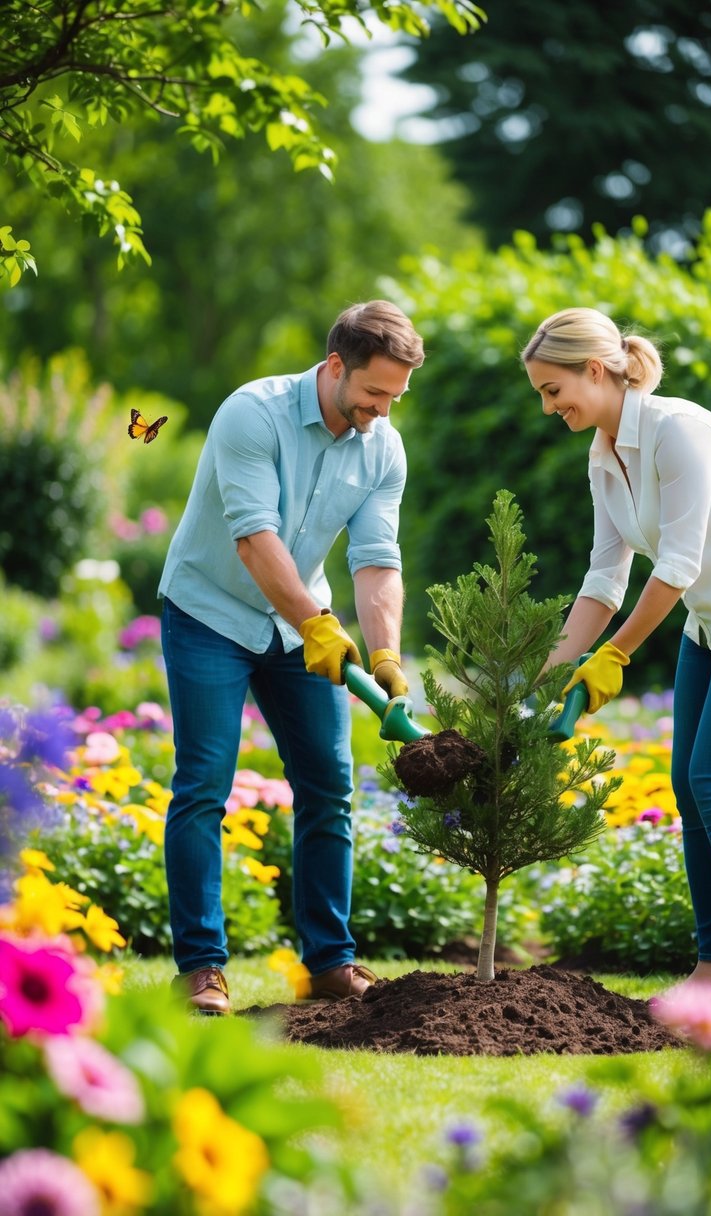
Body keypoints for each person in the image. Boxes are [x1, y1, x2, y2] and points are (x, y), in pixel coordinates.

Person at [522, 306, 711, 1017]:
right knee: (690, 793)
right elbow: (604, 576)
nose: (548, 407)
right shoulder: (602, 455)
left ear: (594, 371)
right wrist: (553, 669)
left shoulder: (676, 428)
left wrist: (615, 655)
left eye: (553, 389)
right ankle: (710, 970)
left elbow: (679, 565)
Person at [159, 300, 425, 1014]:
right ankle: (201, 969)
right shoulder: (252, 414)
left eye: (394, 398)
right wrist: (318, 627)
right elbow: (255, 538)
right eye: (373, 393)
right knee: (204, 785)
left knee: (328, 785)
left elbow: (375, 559)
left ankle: (330, 963)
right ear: (335, 366)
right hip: (210, 610)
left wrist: (386, 653)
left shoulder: (383, 446)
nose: (380, 411)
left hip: (298, 624)